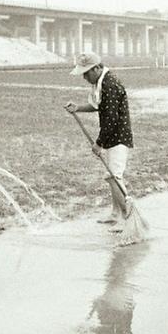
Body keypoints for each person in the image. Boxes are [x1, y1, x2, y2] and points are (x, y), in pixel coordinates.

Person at [66, 53, 134, 230]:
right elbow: (98, 106)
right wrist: (78, 108)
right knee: (111, 176)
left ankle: (126, 218)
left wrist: (99, 143)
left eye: (86, 73)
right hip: (112, 135)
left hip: (119, 136)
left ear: (97, 68)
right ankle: (115, 213)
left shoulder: (110, 84)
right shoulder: (101, 82)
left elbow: (111, 118)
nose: (84, 77)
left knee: (115, 176)